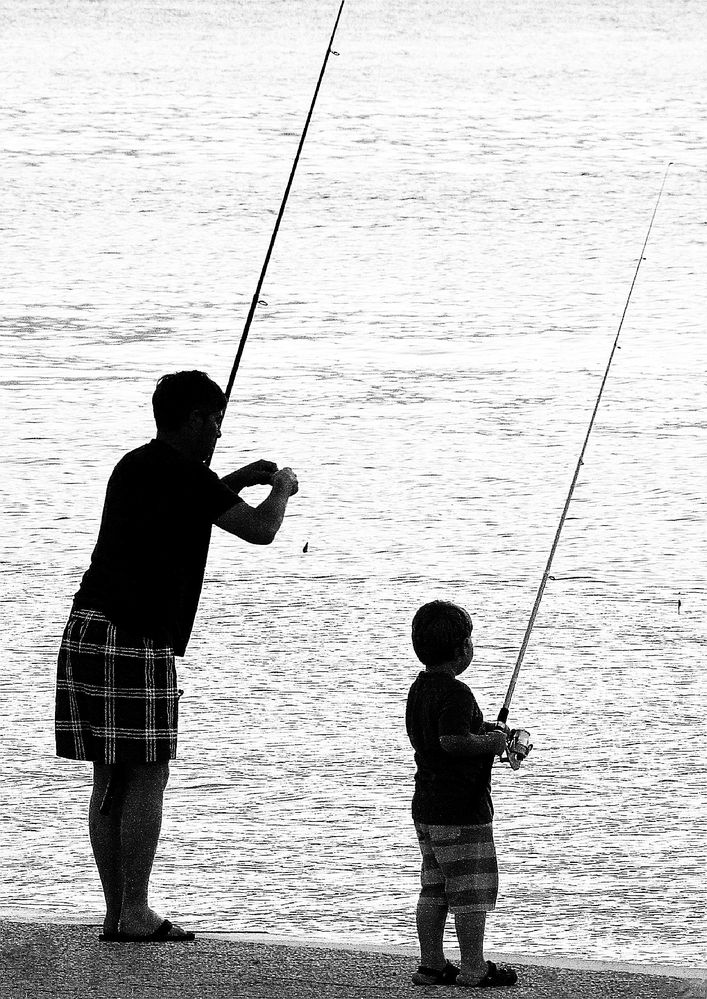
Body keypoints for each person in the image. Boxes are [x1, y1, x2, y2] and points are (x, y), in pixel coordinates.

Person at [55, 370, 299, 943]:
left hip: (89, 627)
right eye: (214, 420)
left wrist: (237, 477)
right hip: (136, 639)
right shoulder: (188, 478)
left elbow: (189, 501)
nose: (218, 430)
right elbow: (260, 530)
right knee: (146, 776)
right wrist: (282, 486)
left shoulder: (136, 465)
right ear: (192, 418)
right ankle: (135, 912)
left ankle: (118, 912)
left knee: (109, 779)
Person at [405, 600, 519, 988]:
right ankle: (473, 967)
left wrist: (487, 732)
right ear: (463, 649)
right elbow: (453, 740)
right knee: (470, 890)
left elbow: (445, 732)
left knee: (434, 887)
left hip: (428, 808)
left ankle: (432, 965)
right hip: (462, 812)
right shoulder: (457, 691)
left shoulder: (419, 689)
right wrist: (492, 742)